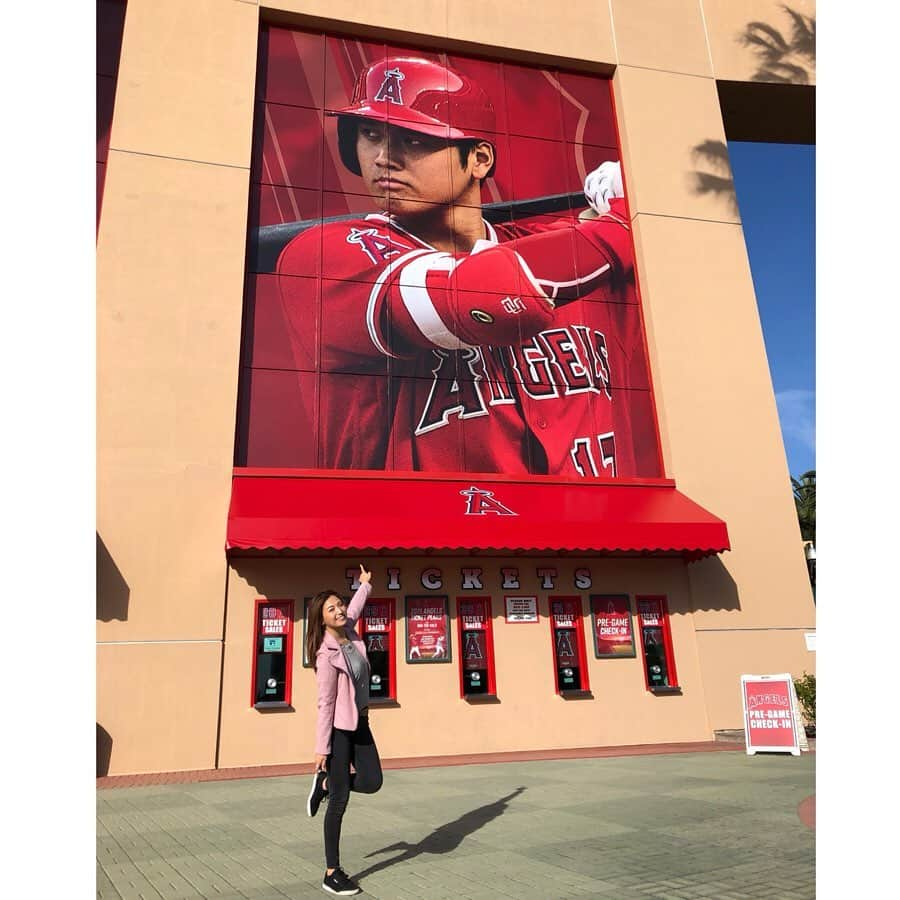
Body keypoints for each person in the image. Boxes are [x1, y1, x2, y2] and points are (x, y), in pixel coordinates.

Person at [277, 56, 656, 479]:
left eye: (413, 139)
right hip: (418, 541)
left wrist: (653, 199)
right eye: (370, 134)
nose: (384, 158)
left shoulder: (575, 250)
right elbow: (487, 298)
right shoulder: (326, 256)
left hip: (603, 538)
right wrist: (625, 221)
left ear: (478, 159)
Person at [305, 565, 383, 896]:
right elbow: (325, 705)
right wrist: (322, 748)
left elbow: (354, 609)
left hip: (360, 722)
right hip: (338, 731)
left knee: (372, 781)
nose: (339, 611)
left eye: (339, 604)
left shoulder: (348, 630)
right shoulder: (326, 656)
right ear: (321, 619)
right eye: (331, 609)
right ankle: (331, 872)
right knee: (340, 800)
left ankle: (325, 784)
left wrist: (363, 585)